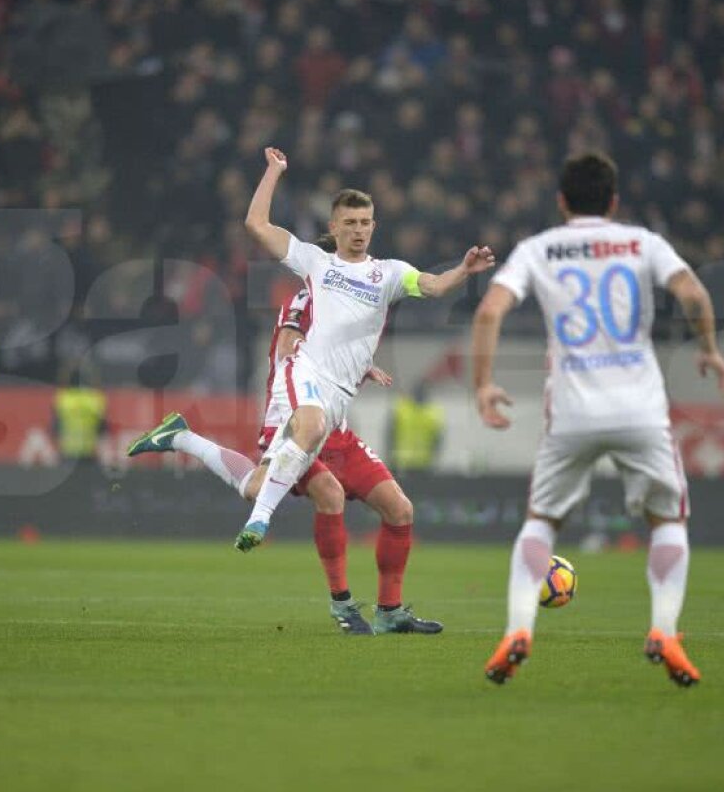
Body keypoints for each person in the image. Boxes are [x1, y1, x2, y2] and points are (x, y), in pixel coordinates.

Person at [128, 146, 492, 615]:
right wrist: (273, 172)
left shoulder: (390, 274)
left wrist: (463, 270)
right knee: (313, 447)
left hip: (336, 404)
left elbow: (436, 286)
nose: (359, 230)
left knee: (288, 485)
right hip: (301, 387)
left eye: (366, 223)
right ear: (334, 227)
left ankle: (186, 440)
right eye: (351, 223)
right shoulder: (316, 267)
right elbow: (257, 227)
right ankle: (263, 526)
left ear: (374, 226)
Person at [470, 152, 724, 687]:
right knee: (667, 522)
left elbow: (490, 310)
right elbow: (694, 294)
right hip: (641, 409)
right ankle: (664, 630)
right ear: (614, 202)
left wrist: (483, 384)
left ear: (561, 201)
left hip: (571, 410)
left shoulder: (538, 249)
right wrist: (708, 348)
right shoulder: (643, 243)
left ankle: (518, 629)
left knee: (541, 521)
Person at [258, 283, 440, 634]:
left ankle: (389, 612)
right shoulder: (305, 298)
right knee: (317, 495)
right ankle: (342, 605)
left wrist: (359, 366)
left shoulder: (347, 304)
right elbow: (286, 351)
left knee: (400, 510)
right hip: (297, 426)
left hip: (337, 432)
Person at [385, 379, 444, 472]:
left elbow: (438, 440)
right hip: (402, 464)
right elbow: (390, 435)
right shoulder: (401, 409)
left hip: (422, 465)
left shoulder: (401, 409)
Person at [53, 366, 108, 461]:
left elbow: (55, 427)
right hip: (89, 452)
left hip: (67, 453)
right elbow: (102, 429)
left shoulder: (62, 399)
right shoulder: (96, 399)